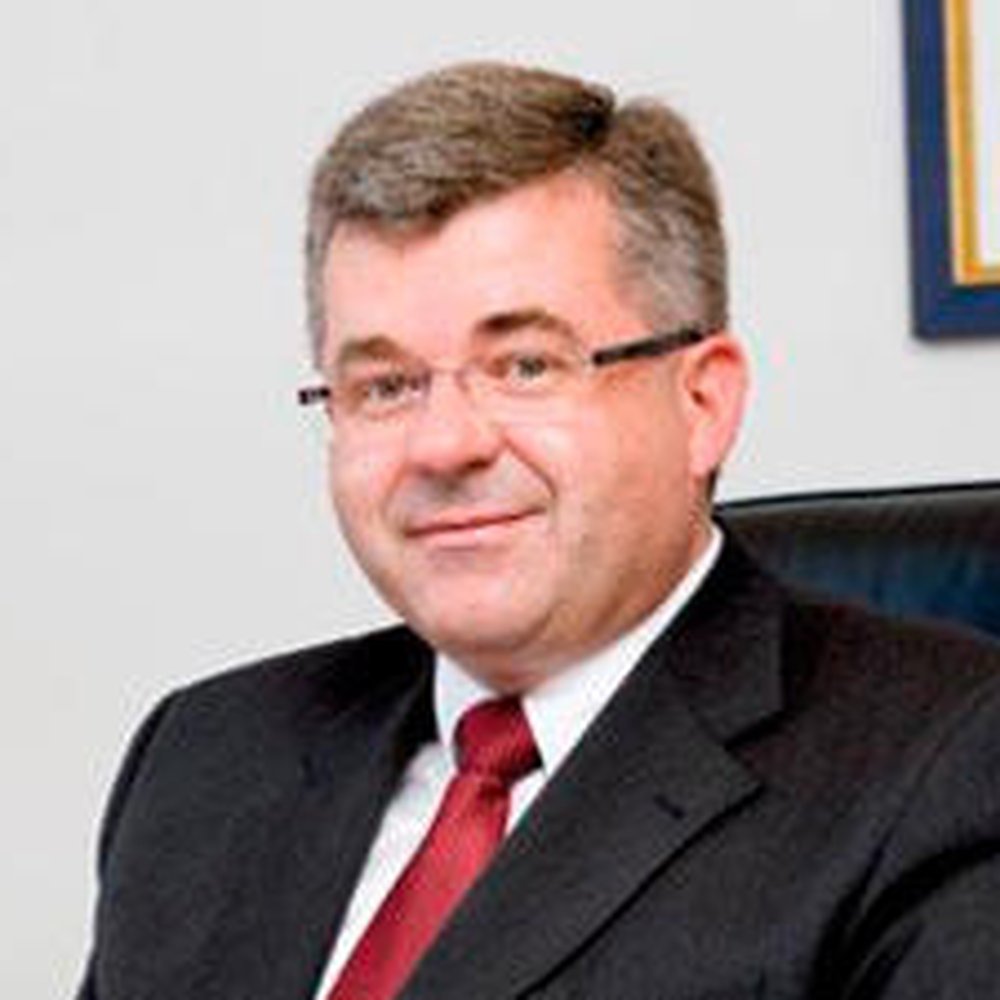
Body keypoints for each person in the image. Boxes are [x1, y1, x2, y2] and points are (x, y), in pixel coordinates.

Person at [77, 62, 1000, 1000]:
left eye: (524, 366)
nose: (444, 445)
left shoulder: (949, 762)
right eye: (385, 385)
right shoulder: (207, 759)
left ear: (702, 402)